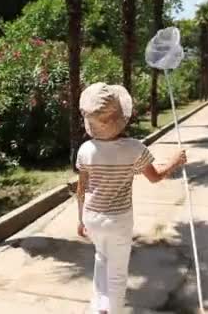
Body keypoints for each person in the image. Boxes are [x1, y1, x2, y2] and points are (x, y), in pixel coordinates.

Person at [75, 82, 187, 314]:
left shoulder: (85, 149)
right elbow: (155, 177)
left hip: (92, 217)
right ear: (120, 117)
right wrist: (175, 162)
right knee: (117, 273)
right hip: (118, 220)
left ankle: (99, 308)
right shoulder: (134, 148)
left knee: (100, 259)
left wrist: (80, 219)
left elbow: (81, 188)